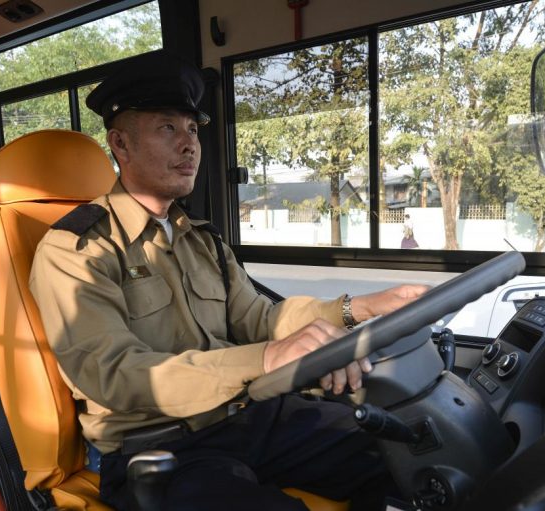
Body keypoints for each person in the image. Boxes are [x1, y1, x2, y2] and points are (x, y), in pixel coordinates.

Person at [30, 50, 429, 511]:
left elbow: (260, 317)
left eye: (193, 129)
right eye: (167, 127)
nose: (189, 145)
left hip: (249, 417)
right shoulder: (77, 248)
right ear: (120, 144)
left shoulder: (199, 238)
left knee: (406, 450)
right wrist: (266, 358)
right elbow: (115, 374)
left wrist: (354, 309)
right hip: (157, 447)